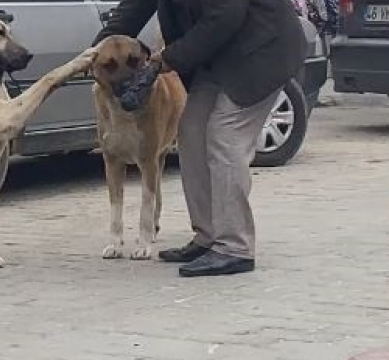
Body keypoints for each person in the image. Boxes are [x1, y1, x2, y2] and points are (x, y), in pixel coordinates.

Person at [92, 0, 307, 277]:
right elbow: (133, 8)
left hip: (263, 51)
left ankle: (234, 247)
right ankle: (207, 237)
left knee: (224, 136)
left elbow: (225, 16)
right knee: (191, 130)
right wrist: (94, 51)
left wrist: (170, 57)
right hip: (219, 55)